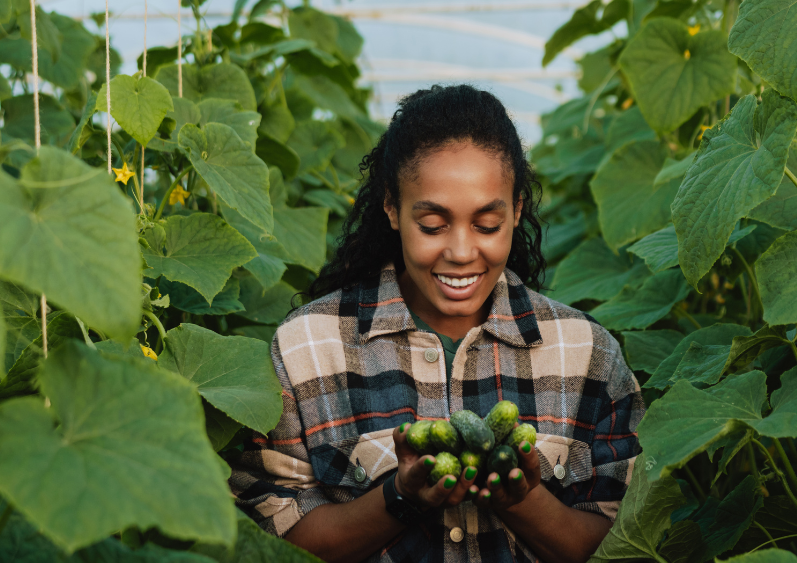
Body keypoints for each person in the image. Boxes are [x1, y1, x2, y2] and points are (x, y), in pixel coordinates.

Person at [228, 84, 643, 563]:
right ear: (391, 208)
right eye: (432, 225)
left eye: (488, 225)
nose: (462, 252)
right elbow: (270, 540)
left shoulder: (588, 353)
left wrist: (523, 501)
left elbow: (625, 542)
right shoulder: (308, 349)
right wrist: (398, 498)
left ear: (517, 210)